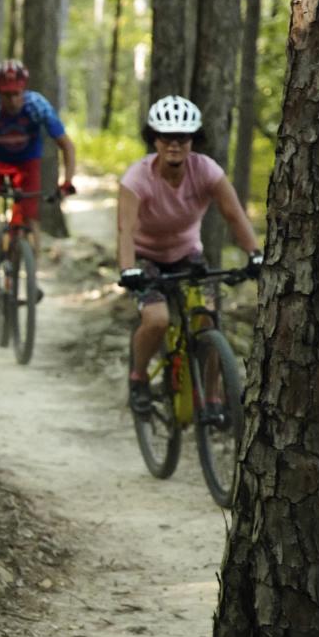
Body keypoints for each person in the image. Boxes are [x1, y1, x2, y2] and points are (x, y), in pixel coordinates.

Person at [116, 95, 263, 414]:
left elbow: (234, 215)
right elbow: (125, 230)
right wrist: (128, 270)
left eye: (182, 137)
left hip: (187, 255)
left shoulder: (207, 170)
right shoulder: (136, 178)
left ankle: (211, 398)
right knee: (157, 320)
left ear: (193, 140)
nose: (174, 144)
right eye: (166, 136)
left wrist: (255, 255)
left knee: (207, 321)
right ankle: (139, 378)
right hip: (146, 258)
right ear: (154, 138)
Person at [0, 59, 78, 305]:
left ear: (24, 89)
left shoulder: (38, 106)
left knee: (31, 217)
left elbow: (66, 145)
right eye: (6, 95)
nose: (12, 100)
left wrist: (68, 181)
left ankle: (32, 279)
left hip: (26, 163)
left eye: (16, 94)